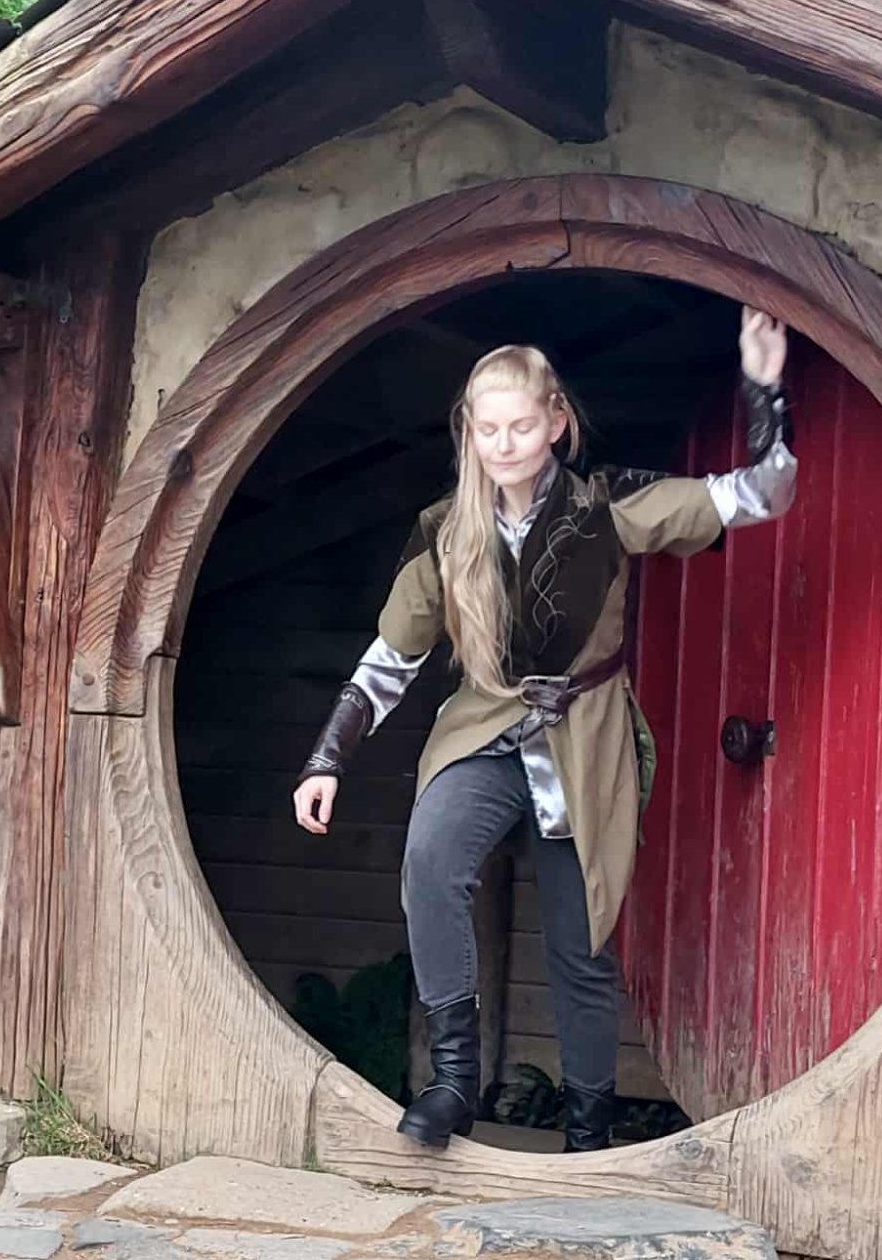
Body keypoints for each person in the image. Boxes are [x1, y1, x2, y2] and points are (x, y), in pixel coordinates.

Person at [290, 306, 797, 1152]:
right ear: (469, 431)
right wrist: (325, 759)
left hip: (585, 739)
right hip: (484, 726)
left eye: (521, 425)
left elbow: (762, 495)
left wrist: (763, 391)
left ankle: (587, 1136)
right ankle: (454, 1080)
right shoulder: (446, 530)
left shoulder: (610, 503)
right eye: (488, 429)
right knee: (431, 860)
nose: (505, 444)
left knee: (579, 945)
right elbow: (392, 658)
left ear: (556, 422)